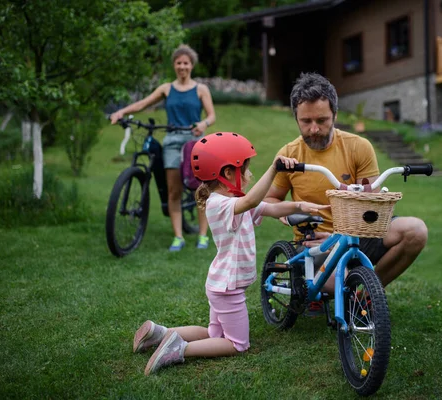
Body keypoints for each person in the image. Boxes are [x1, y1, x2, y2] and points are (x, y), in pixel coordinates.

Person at [132, 132, 329, 375]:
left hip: (222, 284)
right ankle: (179, 349)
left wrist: (299, 205)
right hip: (228, 288)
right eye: (245, 170)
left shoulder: (236, 200)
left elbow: (270, 207)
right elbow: (252, 202)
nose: (249, 175)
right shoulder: (220, 204)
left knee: (214, 334)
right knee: (237, 344)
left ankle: (159, 333)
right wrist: (274, 169)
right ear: (227, 174)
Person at [264, 72, 428, 292]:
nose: (314, 129)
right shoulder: (289, 155)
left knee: (416, 230)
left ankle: (369, 292)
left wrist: (338, 236)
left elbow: (372, 206)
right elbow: (270, 198)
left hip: (359, 235)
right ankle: (354, 289)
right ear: (296, 118)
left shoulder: (358, 147)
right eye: (306, 121)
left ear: (335, 114)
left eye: (322, 120)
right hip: (317, 245)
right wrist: (289, 214)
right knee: (341, 283)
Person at [110, 44, 215, 251]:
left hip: (195, 142)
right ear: (174, 65)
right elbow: (143, 104)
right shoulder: (166, 88)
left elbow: (211, 115)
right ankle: (178, 237)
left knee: (201, 190)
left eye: (185, 63)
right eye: (178, 63)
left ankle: (203, 235)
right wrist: (121, 112)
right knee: (173, 191)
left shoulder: (201, 89)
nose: (182, 66)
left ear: (191, 65)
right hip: (172, 142)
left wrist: (204, 124)